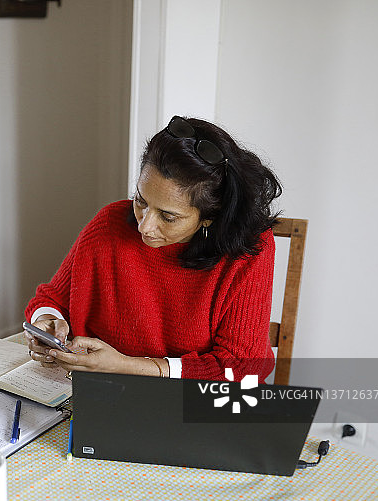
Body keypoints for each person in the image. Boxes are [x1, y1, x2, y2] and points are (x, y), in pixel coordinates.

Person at [24, 116, 282, 382]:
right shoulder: (108, 224)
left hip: (192, 400)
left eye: (168, 217)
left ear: (209, 217)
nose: (144, 226)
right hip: (102, 390)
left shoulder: (250, 250)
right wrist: (47, 322)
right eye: (141, 200)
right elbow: (51, 299)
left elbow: (241, 365)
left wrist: (126, 365)